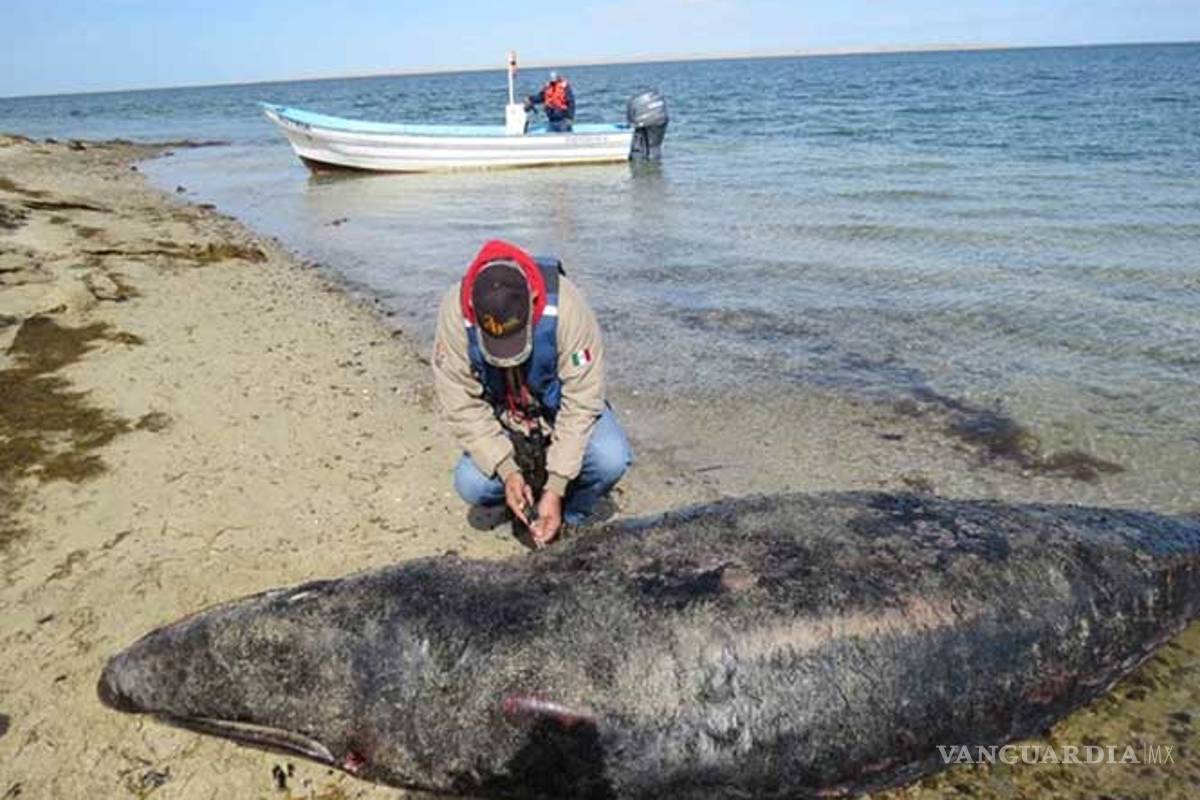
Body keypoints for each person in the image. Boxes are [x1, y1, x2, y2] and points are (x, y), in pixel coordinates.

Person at [432, 239, 631, 547]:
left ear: (534, 298)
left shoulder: (567, 306)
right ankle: (520, 495)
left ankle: (570, 515)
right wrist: (507, 470)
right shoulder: (454, 314)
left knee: (610, 458)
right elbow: (462, 405)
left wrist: (556, 487)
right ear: (474, 309)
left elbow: (582, 400)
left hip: (560, 413)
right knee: (471, 485)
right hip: (508, 421)